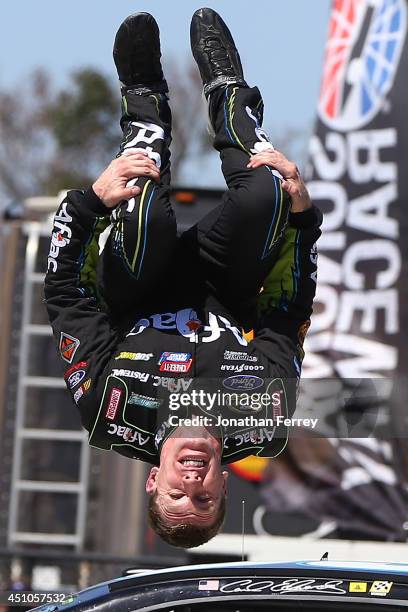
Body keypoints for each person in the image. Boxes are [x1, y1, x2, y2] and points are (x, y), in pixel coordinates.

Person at [44, 8, 322, 548]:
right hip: (227, 284)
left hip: (138, 280)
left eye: (177, 495)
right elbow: (288, 312)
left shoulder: (109, 410)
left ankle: (144, 106)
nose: (191, 484)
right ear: (224, 484)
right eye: (205, 499)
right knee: (269, 191)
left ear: (154, 479)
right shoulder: (264, 421)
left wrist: (88, 203)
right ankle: (228, 90)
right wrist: (304, 223)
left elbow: (65, 296)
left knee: (142, 208)